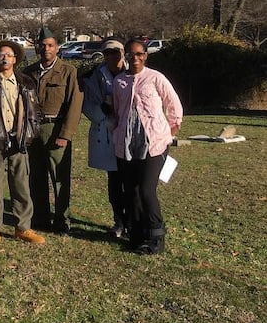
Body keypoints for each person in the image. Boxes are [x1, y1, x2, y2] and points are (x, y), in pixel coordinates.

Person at [0, 40, 46, 250]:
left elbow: (35, 110)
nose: (4, 58)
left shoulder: (27, 82)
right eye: (0, 55)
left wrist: (30, 131)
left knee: (21, 185)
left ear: (15, 59)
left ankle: (23, 228)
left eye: (8, 55)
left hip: (20, 140)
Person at [113, 38, 182, 255]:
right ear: (126, 57)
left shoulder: (156, 78)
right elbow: (117, 111)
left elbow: (174, 106)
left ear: (146, 55)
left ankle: (156, 236)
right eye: (131, 55)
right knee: (131, 192)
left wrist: (170, 133)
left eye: (139, 54)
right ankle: (136, 235)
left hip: (154, 144)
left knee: (146, 190)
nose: (135, 58)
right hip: (127, 144)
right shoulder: (120, 81)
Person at [22, 26, 83, 234]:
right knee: (36, 176)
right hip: (33, 129)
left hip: (55, 128)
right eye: (42, 45)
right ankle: (40, 217)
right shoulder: (28, 72)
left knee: (59, 178)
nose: (46, 49)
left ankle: (62, 220)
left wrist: (65, 134)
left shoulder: (68, 71)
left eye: (50, 45)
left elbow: (75, 105)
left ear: (57, 48)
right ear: (37, 48)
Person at [81, 39, 128, 238]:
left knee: (133, 181)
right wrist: (106, 120)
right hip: (108, 132)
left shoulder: (135, 71)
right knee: (115, 181)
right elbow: (88, 104)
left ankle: (133, 221)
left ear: (123, 52)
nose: (111, 56)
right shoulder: (95, 76)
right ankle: (119, 221)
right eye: (107, 53)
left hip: (131, 133)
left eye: (115, 52)